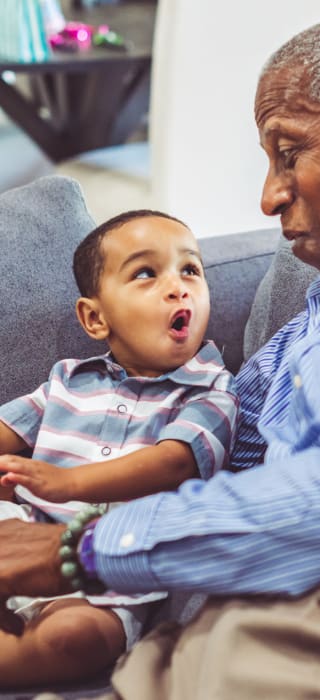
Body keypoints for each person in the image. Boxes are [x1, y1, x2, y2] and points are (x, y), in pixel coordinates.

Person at [1, 10, 320, 699]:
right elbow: (202, 448)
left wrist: (76, 548)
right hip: (219, 625)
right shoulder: (310, 327)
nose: (268, 196)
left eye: (288, 153)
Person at [0, 209, 238, 687]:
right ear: (95, 317)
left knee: (75, 639)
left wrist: (69, 483)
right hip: (21, 534)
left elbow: (174, 463)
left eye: (190, 269)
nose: (178, 287)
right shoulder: (67, 380)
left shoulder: (211, 392)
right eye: (146, 274)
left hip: (109, 580)